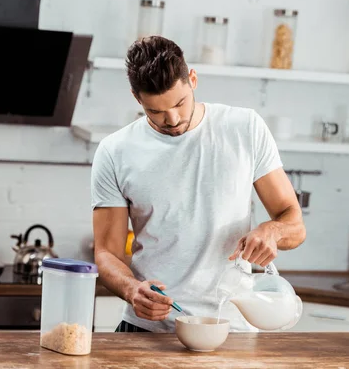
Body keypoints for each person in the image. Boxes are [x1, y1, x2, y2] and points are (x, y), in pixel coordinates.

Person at [91, 36, 306, 333]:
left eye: (180, 102)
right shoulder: (114, 151)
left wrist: (271, 231)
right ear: (136, 98)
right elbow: (106, 253)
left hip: (231, 327)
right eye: (155, 111)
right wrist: (131, 289)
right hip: (149, 329)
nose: (173, 119)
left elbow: (294, 223)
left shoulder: (245, 128)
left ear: (192, 79)